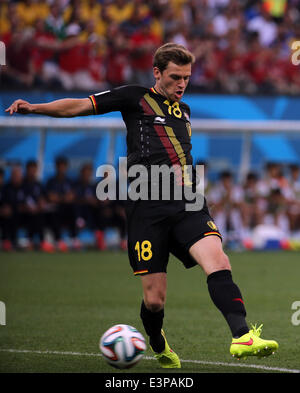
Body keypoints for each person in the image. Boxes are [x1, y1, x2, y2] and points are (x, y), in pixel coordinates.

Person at [6, 43, 278, 368]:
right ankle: (158, 342)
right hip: (146, 207)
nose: (182, 84)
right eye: (175, 77)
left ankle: (242, 336)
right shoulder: (135, 97)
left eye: (187, 77)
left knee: (218, 260)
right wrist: (34, 108)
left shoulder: (185, 110)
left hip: (186, 202)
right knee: (154, 300)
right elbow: (79, 105)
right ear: (157, 73)